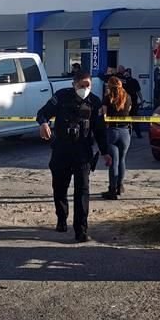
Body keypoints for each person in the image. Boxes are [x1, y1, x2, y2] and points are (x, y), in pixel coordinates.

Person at [37, 70, 112, 242]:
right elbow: (42, 113)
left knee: (82, 192)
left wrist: (105, 152)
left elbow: (100, 130)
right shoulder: (61, 97)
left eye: (88, 85)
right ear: (74, 84)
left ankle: (81, 230)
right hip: (61, 151)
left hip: (83, 153)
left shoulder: (95, 102)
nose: (85, 89)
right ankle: (62, 218)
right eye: (81, 85)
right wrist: (43, 124)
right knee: (60, 189)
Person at [101, 77, 132, 200]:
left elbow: (104, 115)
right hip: (125, 132)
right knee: (122, 160)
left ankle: (112, 190)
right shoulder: (128, 97)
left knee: (113, 162)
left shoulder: (107, 98)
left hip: (112, 131)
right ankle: (120, 187)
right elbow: (129, 110)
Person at [121, 68, 143, 138]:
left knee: (133, 117)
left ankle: (137, 133)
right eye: (125, 72)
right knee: (129, 118)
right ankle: (130, 133)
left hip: (132, 102)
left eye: (127, 72)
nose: (126, 74)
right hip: (127, 102)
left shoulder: (133, 81)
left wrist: (141, 99)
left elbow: (138, 91)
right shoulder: (123, 81)